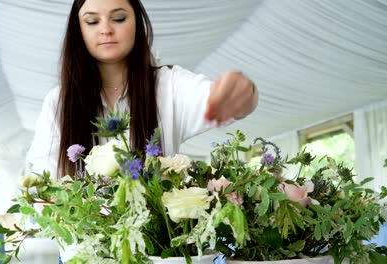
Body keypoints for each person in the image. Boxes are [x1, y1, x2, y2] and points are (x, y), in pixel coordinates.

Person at [26, 0, 259, 180]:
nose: (106, 29)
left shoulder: (169, 85)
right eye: (92, 21)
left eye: (118, 18)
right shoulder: (59, 101)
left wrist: (242, 92)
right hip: (85, 240)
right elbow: (43, 180)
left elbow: (222, 99)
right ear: (78, 31)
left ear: (137, 23)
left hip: (157, 240)